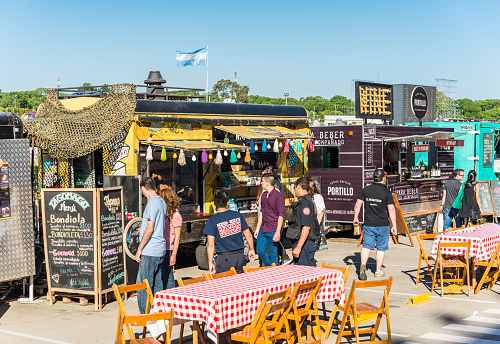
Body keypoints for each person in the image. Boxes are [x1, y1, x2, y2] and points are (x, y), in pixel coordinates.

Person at [353, 168, 397, 280]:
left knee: (366, 246)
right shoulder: (387, 192)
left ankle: (363, 265)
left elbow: (357, 205)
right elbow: (391, 210)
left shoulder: (366, 190)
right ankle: (378, 271)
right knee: (381, 248)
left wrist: (356, 218)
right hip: (383, 224)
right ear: (383, 179)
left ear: (374, 178)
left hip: (369, 224)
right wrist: (394, 226)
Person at [204, 190, 256, 273]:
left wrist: (210, 262)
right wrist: (252, 249)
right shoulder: (238, 215)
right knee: (239, 283)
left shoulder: (211, 221)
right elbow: (248, 235)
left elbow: (210, 245)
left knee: (225, 284)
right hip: (239, 257)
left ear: (214, 203)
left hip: (223, 259)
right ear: (228, 203)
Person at [136, 177, 167, 314]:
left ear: (143, 188)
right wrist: (141, 229)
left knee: (143, 285)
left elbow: (150, 228)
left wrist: (139, 248)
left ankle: (146, 319)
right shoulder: (161, 201)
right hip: (160, 249)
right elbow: (158, 224)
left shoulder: (152, 203)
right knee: (157, 285)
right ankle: (158, 315)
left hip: (150, 250)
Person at [254, 173, 285, 266]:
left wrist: (278, 232)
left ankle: (273, 271)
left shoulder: (278, 196)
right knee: (260, 251)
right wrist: (257, 228)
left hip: (273, 228)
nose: (261, 183)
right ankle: (269, 267)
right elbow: (261, 213)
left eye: (262, 181)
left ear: (267, 183)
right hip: (263, 228)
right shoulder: (263, 195)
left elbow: (281, 215)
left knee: (273, 252)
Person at [286, 177, 318, 266]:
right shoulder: (306, 201)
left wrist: (299, 247)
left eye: (294, 188)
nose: (294, 191)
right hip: (303, 244)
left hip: (305, 245)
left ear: (299, 186)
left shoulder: (305, 203)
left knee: (304, 275)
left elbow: (306, 226)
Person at [158, 187, 182, 289]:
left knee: (168, 276)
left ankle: (172, 295)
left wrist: (174, 255)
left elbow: (177, 237)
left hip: (169, 249)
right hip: (161, 246)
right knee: (162, 275)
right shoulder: (164, 213)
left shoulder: (176, 215)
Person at [308, 177, 327, 250]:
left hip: (315, 223)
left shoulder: (318, 197)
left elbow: (321, 212)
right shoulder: (307, 197)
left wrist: (317, 225)